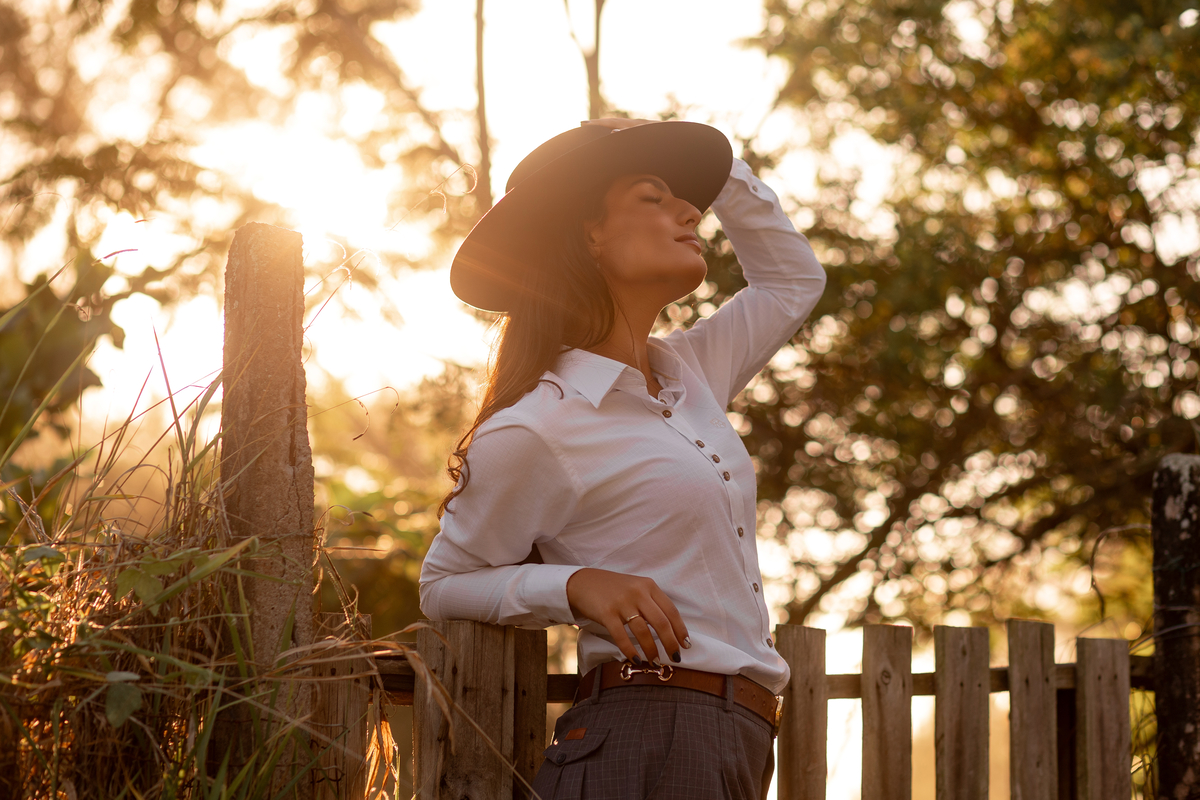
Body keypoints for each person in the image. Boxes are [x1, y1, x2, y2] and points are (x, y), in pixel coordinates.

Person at [420, 118, 826, 800]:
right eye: (653, 196)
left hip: (736, 736)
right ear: (589, 235)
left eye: (687, 199)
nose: (690, 212)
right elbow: (443, 584)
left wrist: (717, 167)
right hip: (647, 734)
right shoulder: (537, 426)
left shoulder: (690, 374)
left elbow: (792, 282)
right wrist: (576, 585)